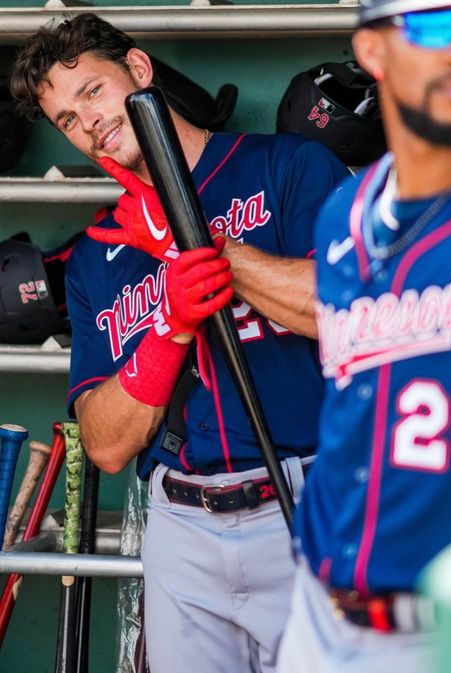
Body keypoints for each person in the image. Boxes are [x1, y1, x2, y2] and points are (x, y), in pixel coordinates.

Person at [9, 13, 349, 673]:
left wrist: (195, 246)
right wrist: (166, 326)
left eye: (92, 93)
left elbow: (342, 310)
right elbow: (105, 444)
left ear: (138, 71)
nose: (88, 123)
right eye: (67, 121)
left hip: (308, 502)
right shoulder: (96, 255)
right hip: (182, 525)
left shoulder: (289, 166)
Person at [277, 2, 451, 673]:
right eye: (434, 26)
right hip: (319, 607)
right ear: (372, 51)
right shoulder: (345, 212)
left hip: (444, 630)